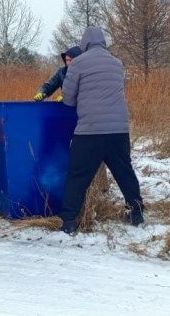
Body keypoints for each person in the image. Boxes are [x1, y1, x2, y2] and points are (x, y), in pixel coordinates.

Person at [59, 27, 144, 235]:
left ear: (84, 44)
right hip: (118, 130)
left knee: (77, 176)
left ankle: (69, 220)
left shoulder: (78, 63)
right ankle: (137, 214)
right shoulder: (117, 63)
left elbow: (68, 99)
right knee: (125, 172)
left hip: (90, 131)